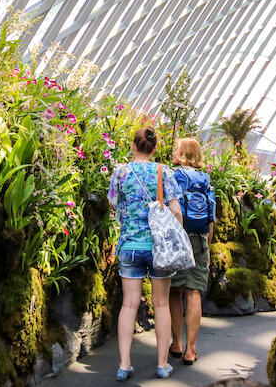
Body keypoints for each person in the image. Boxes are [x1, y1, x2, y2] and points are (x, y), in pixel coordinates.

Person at [107, 126, 184, 381]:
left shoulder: (120, 173)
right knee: (161, 304)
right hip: (159, 248)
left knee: (129, 304)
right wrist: (177, 235)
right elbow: (176, 210)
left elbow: (112, 204)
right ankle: (162, 364)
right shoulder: (164, 172)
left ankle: (124, 365)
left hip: (130, 245)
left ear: (133, 145)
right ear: (154, 148)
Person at [168, 137, 212, 366]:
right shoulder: (205, 179)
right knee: (194, 292)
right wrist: (207, 244)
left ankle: (176, 343)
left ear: (184, 153)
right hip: (199, 238)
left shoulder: (173, 176)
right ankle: (190, 350)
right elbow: (211, 215)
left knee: (174, 291)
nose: (173, 152)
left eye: (176, 149)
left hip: (178, 237)